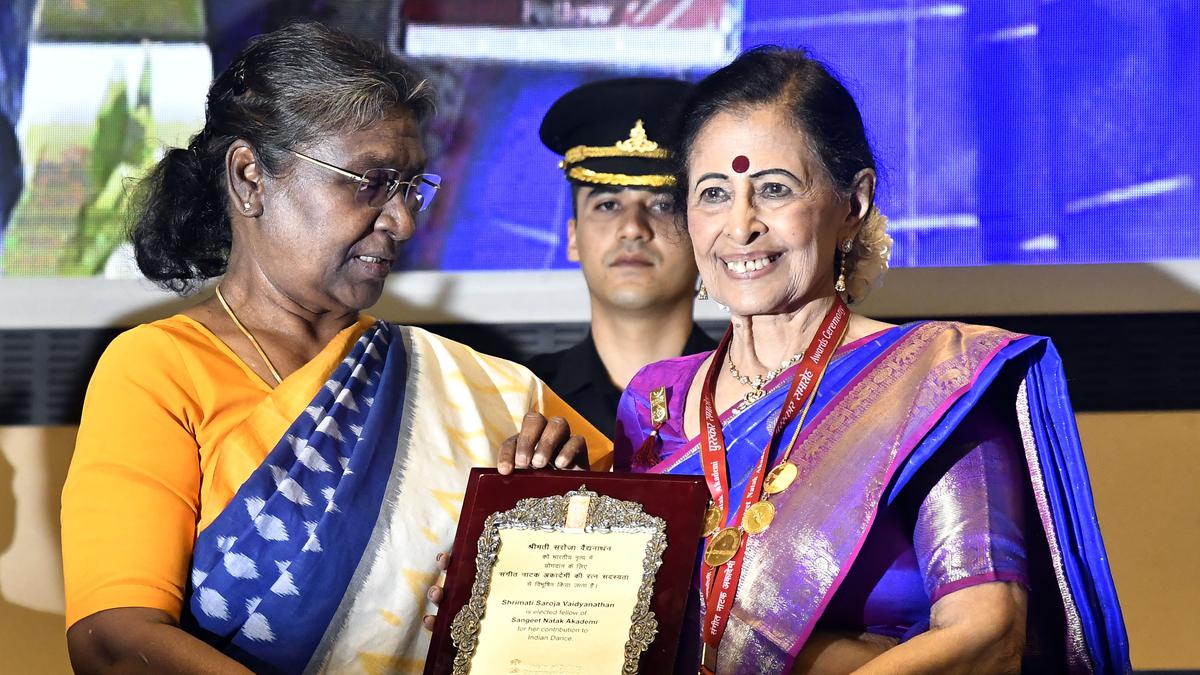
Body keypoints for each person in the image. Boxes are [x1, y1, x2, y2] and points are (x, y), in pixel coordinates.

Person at [60, 23, 609, 675]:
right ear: (250, 178)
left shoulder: (480, 391)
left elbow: (628, 582)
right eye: (370, 182)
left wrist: (560, 514)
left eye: (411, 187)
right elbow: (115, 640)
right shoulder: (157, 370)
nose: (403, 220)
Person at [612, 47, 1131, 673]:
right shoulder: (653, 402)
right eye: (714, 193)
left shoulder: (934, 382)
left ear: (853, 203)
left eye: (774, 190)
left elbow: (988, 634)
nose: (741, 225)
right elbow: (626, 624)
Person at [528, 78, 716, 439]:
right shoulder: (523, 399)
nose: (632, 228)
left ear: (702, 233)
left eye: (663, 205)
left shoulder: (754, 397)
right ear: (573, 238)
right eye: (608, 205)